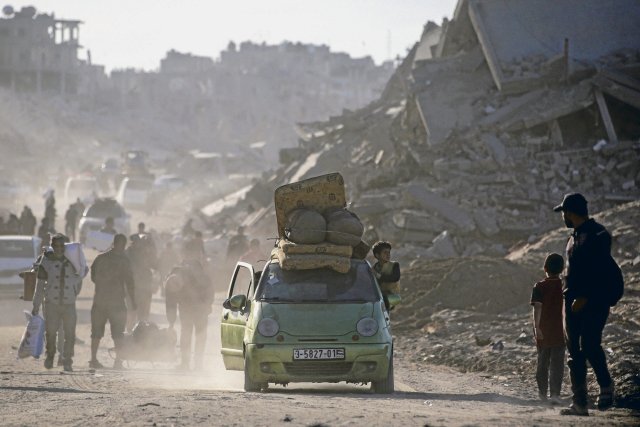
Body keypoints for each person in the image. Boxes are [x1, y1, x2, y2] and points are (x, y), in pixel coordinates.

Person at [554, 193, 615, 416]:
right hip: (571, 302)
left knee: (589, 344)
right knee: (574, 353)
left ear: (569, 213)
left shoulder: (597, 234)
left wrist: (585, 296)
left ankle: (606, 386)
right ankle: (579, 402)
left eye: (563, 213)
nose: (563, 217)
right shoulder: (575, 237)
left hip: (593, 301)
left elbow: (599, 269)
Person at [31, 234, 82, 371]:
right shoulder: (45, 261)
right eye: (56, 246)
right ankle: (50, 354)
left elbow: (81, 275)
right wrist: (36, 305)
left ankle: (67, 359)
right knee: (51, 332)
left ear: (64, 246)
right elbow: (40, 285)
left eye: (61, 246)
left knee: (70, 333)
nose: (59, 248)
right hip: (51, 303)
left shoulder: (72, 260)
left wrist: (73, 292)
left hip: (69, 303)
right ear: (52, 246)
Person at [164, 240, 214, 370]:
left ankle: (185, 363)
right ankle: (198, 365)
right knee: (200, 336)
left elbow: (170, 293)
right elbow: (210, 289)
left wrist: (171, 319)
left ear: (184, 253)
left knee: (186, 334)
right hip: (201, 309)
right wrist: (208, 304)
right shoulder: (203, 270)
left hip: (186, 309)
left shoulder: (177, 270)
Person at [89, 234, 136, 369]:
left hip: (100, 300)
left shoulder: (100, 258)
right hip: (116, 301)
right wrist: (133, 302)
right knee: (118, 333)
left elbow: (93, 277)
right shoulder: (124, 261)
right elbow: (130, 283)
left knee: (97, 332)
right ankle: (118, 361)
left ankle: (93, 359)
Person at [530, 253, 566, 405]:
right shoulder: (564, 285)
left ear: (545, 268)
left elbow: (537, 308)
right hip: (561, 330)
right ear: (562, 269)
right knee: (557, 364)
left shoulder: (539, 287)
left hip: (544, 330)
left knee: (543, 363)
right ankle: (555, 395)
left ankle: (543, 394)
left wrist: (536, 328)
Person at [126, 234, 158, 330]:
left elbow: (155, 265)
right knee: (132, 311)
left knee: (143, 312)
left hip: (144, 287)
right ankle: (130, 332)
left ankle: (141, 334)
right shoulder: (128, 253)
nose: (138, 244)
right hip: (133, 287)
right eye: (135, 242)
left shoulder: (145, 252)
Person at [371, 241, 401, 311]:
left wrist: (378, 276)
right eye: (385, 252)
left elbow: (395, 278)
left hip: (392, 297)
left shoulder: (394, 265)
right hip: (379, 297)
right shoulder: (375, 268)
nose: (388, 255)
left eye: (389, 252)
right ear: (377, 255)